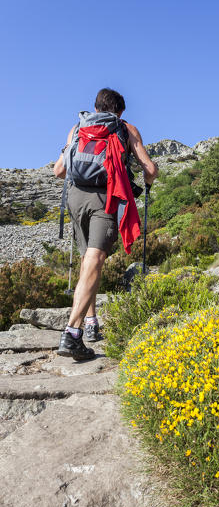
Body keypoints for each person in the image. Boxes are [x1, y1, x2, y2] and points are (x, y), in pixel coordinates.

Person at [53, 88, 158, 360]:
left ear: (96, 107)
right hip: (106, 197)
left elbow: (59, 170)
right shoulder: (125, 128)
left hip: (76, 198)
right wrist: (146, 185)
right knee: (96, 259)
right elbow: (150, 169)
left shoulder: (78, 128)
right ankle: (72, 332)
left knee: (89, 260)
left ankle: (90, 323)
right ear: (119, 111)